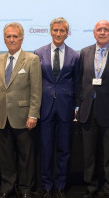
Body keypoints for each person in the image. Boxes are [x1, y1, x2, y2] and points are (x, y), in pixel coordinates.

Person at [76, 20, 109, 198]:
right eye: (99, 29)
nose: (102, 32)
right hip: (88, 111)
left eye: (105, 30)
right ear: (93, 33)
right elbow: (79, 83)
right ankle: (91, 187)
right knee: (89, 154)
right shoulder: (84, 53)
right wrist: (78, 105)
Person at [0, 22, 42, 198]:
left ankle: (26, 188)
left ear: (21, 39)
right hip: (3, 117)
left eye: (15, 36)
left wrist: (33, 114)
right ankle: (7, 187)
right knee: (6, 157)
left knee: (26, 156)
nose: (11, 39)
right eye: (8, 36)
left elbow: (36, 90)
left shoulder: (32, 59)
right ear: (4, 39)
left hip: (24, 117)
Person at [34, 17, 79, 198]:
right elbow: (35, 82)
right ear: (50, 31)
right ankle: (46, 185)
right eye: (55, 30)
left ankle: (60, 185)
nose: (58, 34)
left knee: (64, 149)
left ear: (67, 33)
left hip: (65, 108)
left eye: (62, 31)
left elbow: (77, 83)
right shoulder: (38, 53)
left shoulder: (75, 56)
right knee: (45, 148)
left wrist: (76, 106)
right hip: (44, 107)